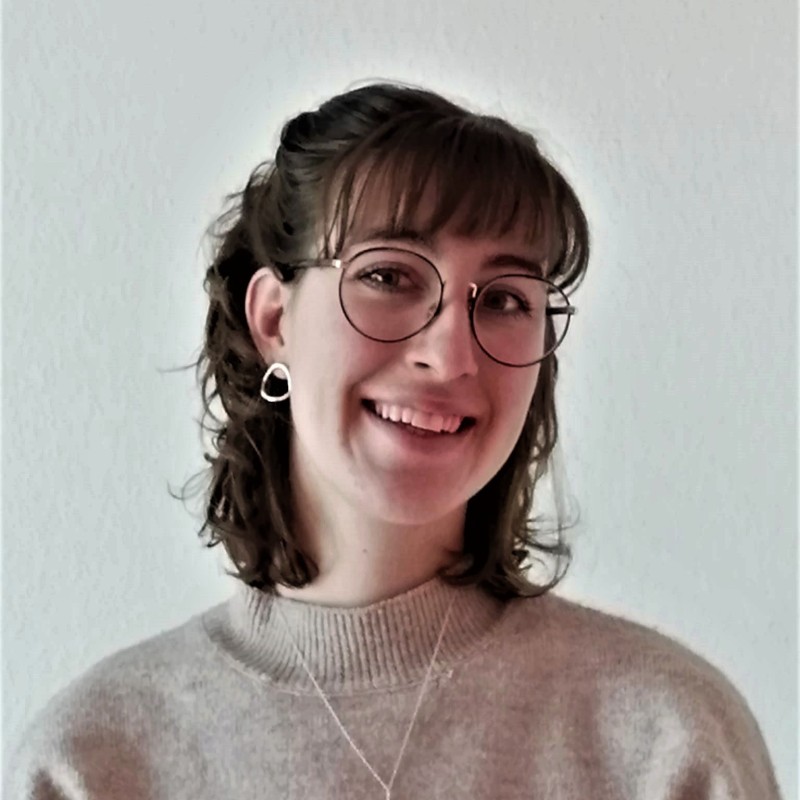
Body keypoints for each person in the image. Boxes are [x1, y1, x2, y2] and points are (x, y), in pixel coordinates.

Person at [6, 81, 782, 799]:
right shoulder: (95, 762)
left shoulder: (668, 741)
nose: (450, 354)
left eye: (505, 299)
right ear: (274, 319)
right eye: (388, 277)